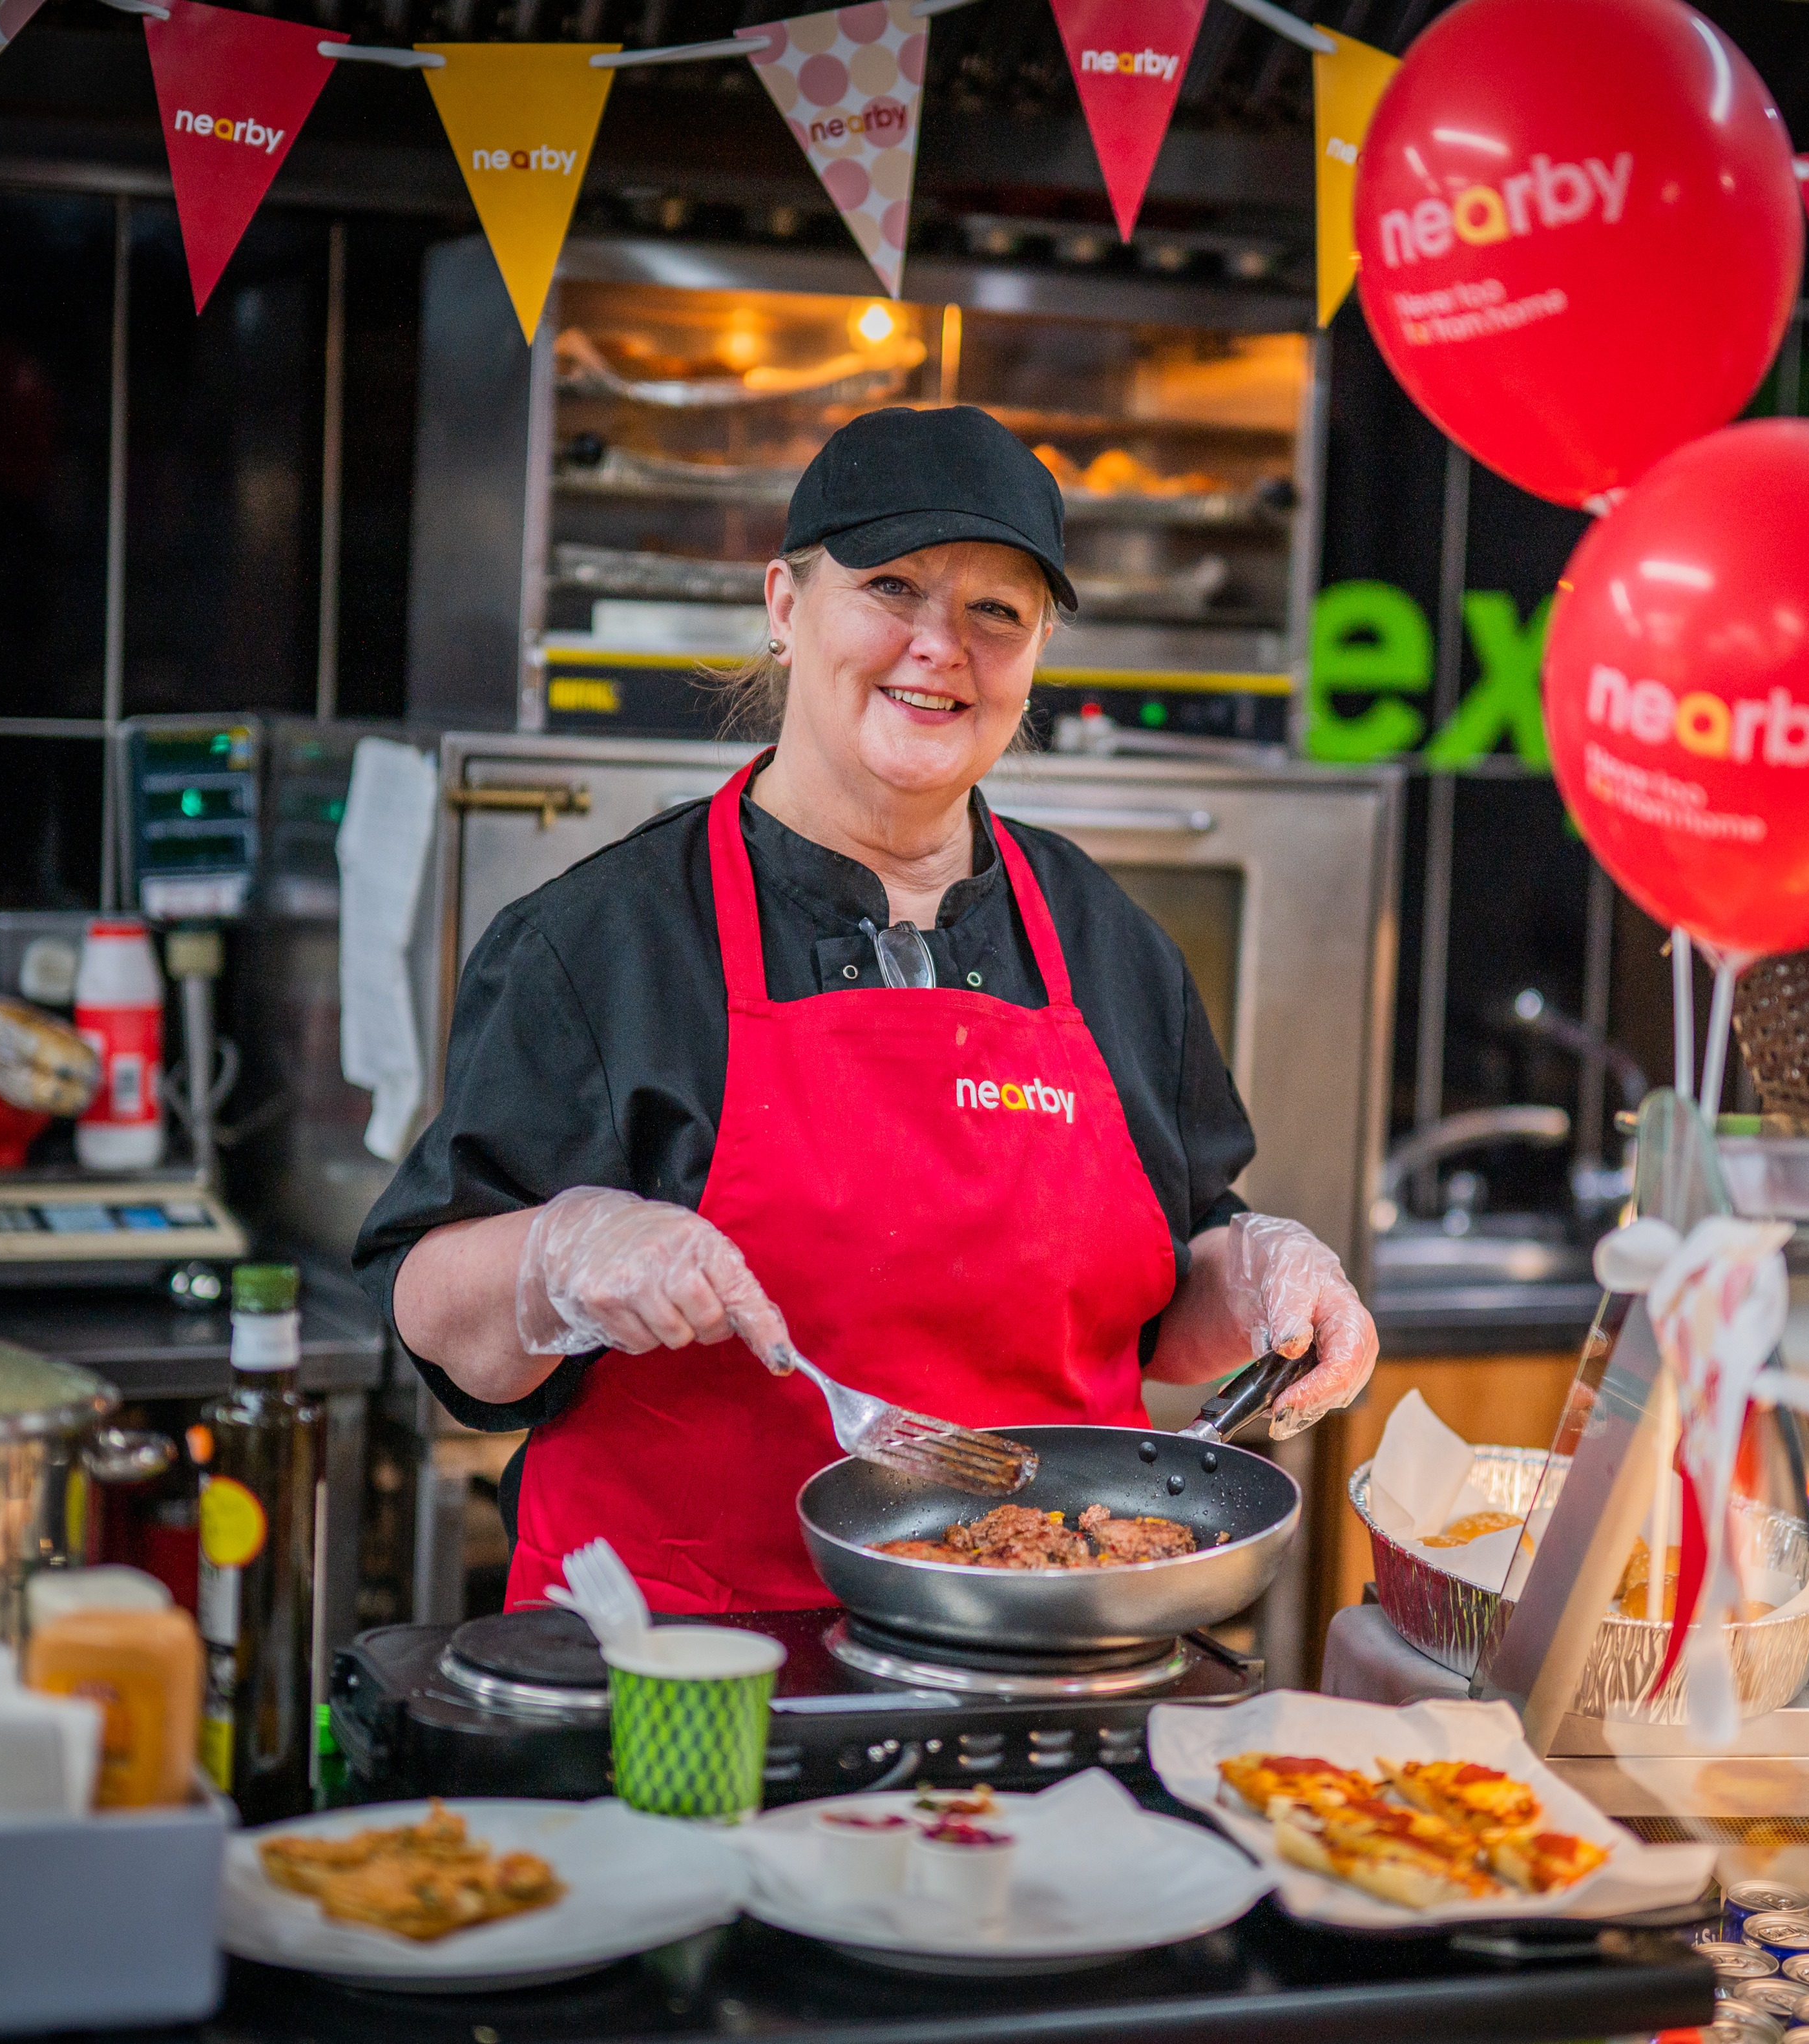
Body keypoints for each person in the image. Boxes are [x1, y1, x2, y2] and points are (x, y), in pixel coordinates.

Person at [354, 404, 1378, 1614]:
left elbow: (1167, 1310)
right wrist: (555, 1260)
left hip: (1053, 1663)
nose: (941, 645)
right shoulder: (606, 940)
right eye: (893, 586)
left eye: (997, 610)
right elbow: (428, 1308)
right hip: (689, 1684)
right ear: (785, 606)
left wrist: (1265, 1280)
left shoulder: (1105, 943)